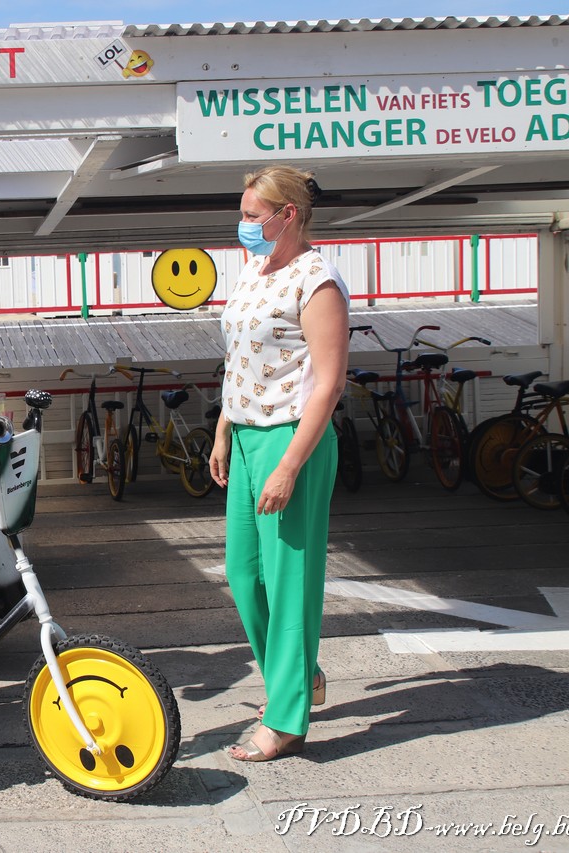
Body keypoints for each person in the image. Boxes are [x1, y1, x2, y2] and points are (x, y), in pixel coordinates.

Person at [209, 165, 350, 762]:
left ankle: (286, 718)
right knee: (244, 575)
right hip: (244, 434)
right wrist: (222, 429)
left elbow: (328, 384)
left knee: (290, 583)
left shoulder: (317, 280)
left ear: (287, 214)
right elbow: (237, 358)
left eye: (250, 215)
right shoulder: (254, 271)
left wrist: (290, 465)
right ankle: (301, 674)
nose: (242, 225)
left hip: (292, 438)